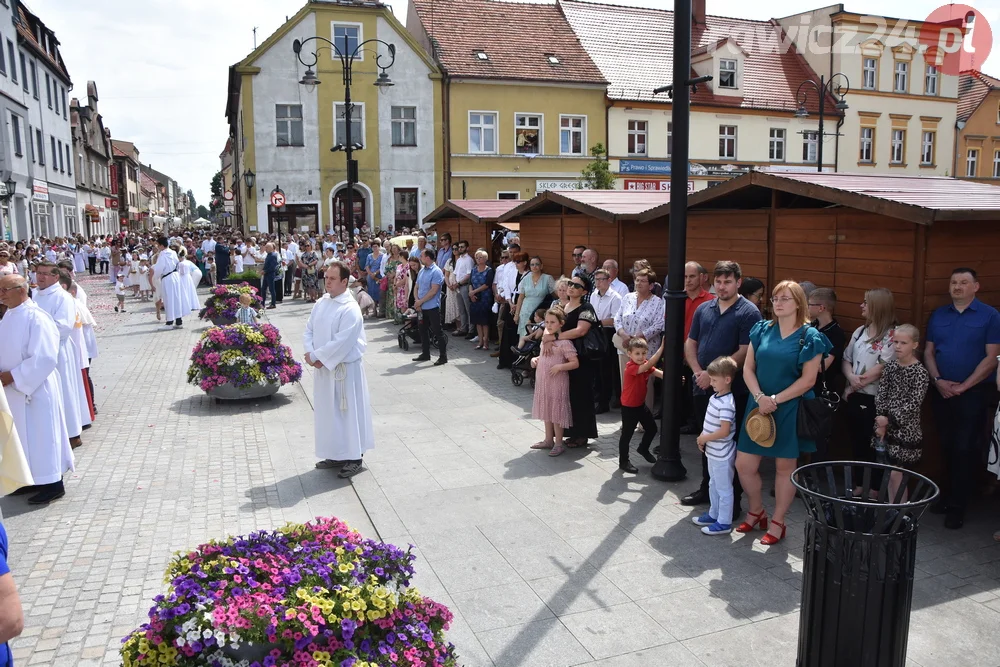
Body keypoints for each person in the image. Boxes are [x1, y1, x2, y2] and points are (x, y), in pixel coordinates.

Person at [736, 281, 832, 545]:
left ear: (799, 303)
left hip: (789, 407)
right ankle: (756, 511)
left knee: (784, 467)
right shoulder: (761, 329)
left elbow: (809, 380)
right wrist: (760, 398)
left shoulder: (810, 337)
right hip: (757, 405)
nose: (777, 302)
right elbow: (748, 369)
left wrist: (775, 400)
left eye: (785, 298)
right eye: (775, 298)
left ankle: (779, 521)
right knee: (744, 464)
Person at [681, 261, 761, 510]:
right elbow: (690, 342)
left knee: (729, 446)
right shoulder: (704, 308)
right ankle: (707, 490)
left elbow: (745, 351)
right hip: (701, 385)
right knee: (705, 440)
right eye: (719, 281)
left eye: (728, 281)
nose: (722, 286)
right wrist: (698, 372)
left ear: (738, 282)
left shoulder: (749, 312)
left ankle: (732, 501)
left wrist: (712, 374)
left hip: (731, 391)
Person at [925, 268, 1000, 529]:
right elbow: (929, 351)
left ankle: (959, 506)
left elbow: (992, 358)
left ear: (976, 287)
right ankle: (946, 497)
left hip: (973, 394)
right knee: (945, 445)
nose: (958, 286)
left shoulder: (990, 316)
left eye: (964, 282)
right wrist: (938, 381)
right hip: (942, 391)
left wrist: (965, 386)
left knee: (965, 448)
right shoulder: (939, 315)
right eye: (954, 282)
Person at [0, 274, 75, 505]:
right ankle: (28, 479)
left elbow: (44, 357)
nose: (0, 294)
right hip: (13, 390)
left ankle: (53, 483)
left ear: (21, 290)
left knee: (42, 436)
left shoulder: (37, 318)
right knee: (22, 436)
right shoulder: (9, 316)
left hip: (36, 388)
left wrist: (13, 375)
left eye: (5, 289)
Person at [304, 261, 374, 479]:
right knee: (329, 413)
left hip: (345, 372)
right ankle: (335, 453)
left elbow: (342, 342)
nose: (328, 282)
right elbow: (309, 330)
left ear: (345, 282)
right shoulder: (321, 303)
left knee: (347, 413)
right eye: (326, 278)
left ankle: (354, 457)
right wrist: (310, 352)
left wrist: (317, 356)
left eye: (333, 279)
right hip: (325, 369)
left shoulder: (350, 308)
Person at [843, 287, 896, 491]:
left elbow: (884, 365)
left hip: (876, 399)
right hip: (855, 396)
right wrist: (850, 378)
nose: (862, 306)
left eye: (866, 302)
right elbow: (846, 359)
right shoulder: (860, 331)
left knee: (875, 445)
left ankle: (873, 489)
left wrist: (858, 382)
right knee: (857, 442)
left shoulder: (892, 335)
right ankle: (858, 485)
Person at [32, 264, 87, 449]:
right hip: (37, 350)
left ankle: (72, 434)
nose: (40, 277)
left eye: (45, 274)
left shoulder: (63, 297)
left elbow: (63, 327)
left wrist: (34, 332)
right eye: (38, 273)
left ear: (56, 277)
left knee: (64, 390)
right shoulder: (34, 295)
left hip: (58, 350)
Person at [873, 324, 930, 501]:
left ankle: (898, 514)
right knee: (889, 474)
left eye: (903, 343)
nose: (898, 346)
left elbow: (913, 404)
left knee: (896, 475)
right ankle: (892, 511)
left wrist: (888, 420)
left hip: (905, 430)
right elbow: (881, 393)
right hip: (884, 426)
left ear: (914, 345)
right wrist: (881, 418)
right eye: (895, 342)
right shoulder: (890, 367)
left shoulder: (920, 372)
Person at [544, 274, 599, 447]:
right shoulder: (563, 306)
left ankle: (582, 434)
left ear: (584, 291)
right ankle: (569, 433)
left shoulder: (586, 307)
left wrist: (555, 337)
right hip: (564, 357)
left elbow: (580, 331)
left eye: (576, 285)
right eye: (570, 284)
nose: (571, 287)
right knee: (566, 396)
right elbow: (550, 324)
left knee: (581, 395)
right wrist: (548, 336)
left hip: (581, 358)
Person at [692, 356, 739, 535]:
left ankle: (724, 522)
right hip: (713, 451)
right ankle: (714, 513)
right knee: (713, 483)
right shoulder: (715, 397)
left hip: (722, 453)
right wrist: (703, 438)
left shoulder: (727, 403)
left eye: (714, 380)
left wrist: (704, 438)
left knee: (724, 487)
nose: (711, 383)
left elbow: (724, 431)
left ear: (727, 380)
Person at [529, 305, 579, 457]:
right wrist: (535, 359)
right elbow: (543, 356)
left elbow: (575, 363)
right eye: (547, 322)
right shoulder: (545, 341)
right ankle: (548, 439)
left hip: (557, 381)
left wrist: (560, 367)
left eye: (552, 322)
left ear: (561, 324)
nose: (549, 325)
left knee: (556, 412)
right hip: (543, 380)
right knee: (546, 409)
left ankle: (558, 443)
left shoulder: (565, 343)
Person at [613, 268, 665, 412]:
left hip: (645, 350)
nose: (639, 283)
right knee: (627, 384)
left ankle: (644, 420)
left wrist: (640, 336)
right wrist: (623, 334)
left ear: (651, 285)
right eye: (637, 280)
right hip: (626, 348)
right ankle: (628, 416)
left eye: (643, 281)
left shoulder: (657, 302)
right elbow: (617, 318)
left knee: (645, 385)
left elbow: (659, 325)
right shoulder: (627, 298)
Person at [618, 338, 664, 473]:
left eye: (643, 353)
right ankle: (623, 461)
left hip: (640, 405)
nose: (641, 356)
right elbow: (649, 365)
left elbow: (658, 373)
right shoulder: (631, 367)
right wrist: (661, 347)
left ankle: (643, 448)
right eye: (637, 353)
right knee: (626, 435)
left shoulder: (645, 365)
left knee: (652, 429)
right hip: (629, 407)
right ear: (629, 354)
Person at [680, 262, 716, 433]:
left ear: (702, 278)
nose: (688, 280)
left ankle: (696, 423)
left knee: (696, 392)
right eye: (685, 277)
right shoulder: (677, 298)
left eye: (692, 276)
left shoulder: (710, 301)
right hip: (678, 354)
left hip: (698, 356)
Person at [592, 268, 624, 413]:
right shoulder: (593, 295)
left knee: (607, 368)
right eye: (596, 280)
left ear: (609, 280)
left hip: (608, 333)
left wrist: (597, 323)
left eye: (601, 280)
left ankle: (607, 400)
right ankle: (598, 397)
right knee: (597, 367)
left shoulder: (615, 297)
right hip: (595, 332)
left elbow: (615, 319)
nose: (598, 283)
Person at [808, 287, 846, 398]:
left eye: (810, 304)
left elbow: (822, 367)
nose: (807, 307)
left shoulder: (836, 333)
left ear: (821, 308)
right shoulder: (812, 326)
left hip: (820, 391)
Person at [413, 249, 448, 366]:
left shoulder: (436, 271)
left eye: (422, 255)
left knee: (437, 331)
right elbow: (416, 287)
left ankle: (443, 356)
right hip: (421, 307)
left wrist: (420, 302)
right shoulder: (422, 270)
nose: (420, 257)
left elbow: (433, 291)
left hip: (432, 307)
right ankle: (425, 353)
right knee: (422, 331)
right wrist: (417, 301)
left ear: (428, 257)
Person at [514, 257, 555, 338]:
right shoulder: (525, 279)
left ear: (541, 266)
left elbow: (555, 295)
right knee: (524, 336)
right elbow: (521, 297)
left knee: (537, 337)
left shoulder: (548, 278)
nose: (534, 266)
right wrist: (517, 314)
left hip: (540, 312)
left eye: (537, 264)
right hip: (525, 311)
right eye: (532, 264)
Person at [152, 237, 185, 327]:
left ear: (162, 246)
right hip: (175, 276)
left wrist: (155, 277)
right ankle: (178, 320)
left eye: (158, 245)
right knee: (176, 298)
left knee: (168, 299)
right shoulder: (173, 252)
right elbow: (177, 263)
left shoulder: (162, 254)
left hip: (167, 277)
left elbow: (159, 268)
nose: (158, 247)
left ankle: (169, 321)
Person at [468, 250, 494, 350]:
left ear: (486, 259)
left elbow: (487, 284)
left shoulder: (489, 270)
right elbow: (470, 282)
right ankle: (480, 341)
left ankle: (486, 341)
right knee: (478, 321)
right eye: (477, 257)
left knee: (485, 321)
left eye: (481, 257)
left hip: (485, 298)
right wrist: (471, 293)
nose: (478, 259)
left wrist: (474, 292)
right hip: (475, 298)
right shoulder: (473, 270)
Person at [451, 240, 474, 338]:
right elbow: (456, 273)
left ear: (467, 248)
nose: (460, 249)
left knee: (468, 309)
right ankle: (463, 328)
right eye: (459, 247)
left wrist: (459, 283)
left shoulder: (469, 259)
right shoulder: (459, 259)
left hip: (465, 286)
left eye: (462, 247)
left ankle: (471, 330)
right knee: (461, 310)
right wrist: (454, 283)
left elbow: (469, 275)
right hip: (458, 287)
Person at [262, 242, 280, 309]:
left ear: (271, 248)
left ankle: (273, 303)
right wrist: (263, 270)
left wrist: (265, 271)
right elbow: (266, 264)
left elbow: (273, 267)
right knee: (263, 289)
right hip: (266, 274)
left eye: (267, 247)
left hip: (270, 274)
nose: (265, 249)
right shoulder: (268, 255)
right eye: (265, 247)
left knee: (271, 289)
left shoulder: (273, 255)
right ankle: (262, 303)